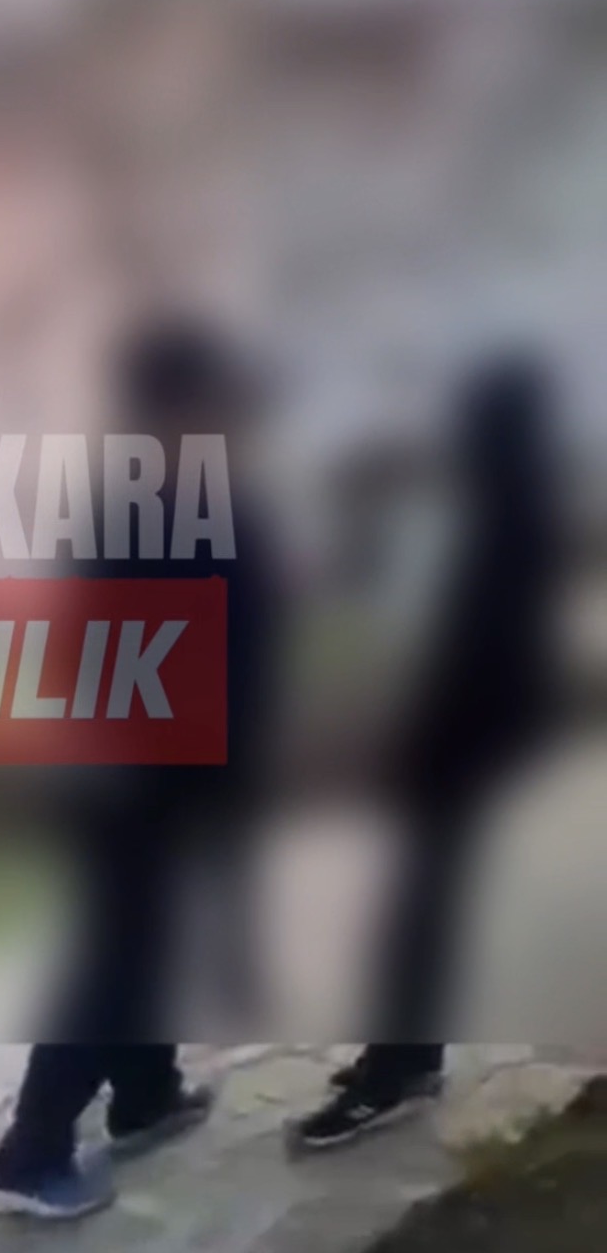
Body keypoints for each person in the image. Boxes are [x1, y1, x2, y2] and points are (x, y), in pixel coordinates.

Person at [0, 315, 283, 1216]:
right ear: (177, 409)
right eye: (215, 405)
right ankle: (31, 1153)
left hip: (144, 770)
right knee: (114, 964)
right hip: (141, 776)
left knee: (142, 949)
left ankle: (146, 1094)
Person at [289, 352, 564, 1149]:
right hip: (465, 744)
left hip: (456, 749)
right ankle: (403, 1053)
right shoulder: (506, 512)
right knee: (419, 908)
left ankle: (397, 1070)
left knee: (417, 915)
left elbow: (462, 653)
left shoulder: (500, 528)